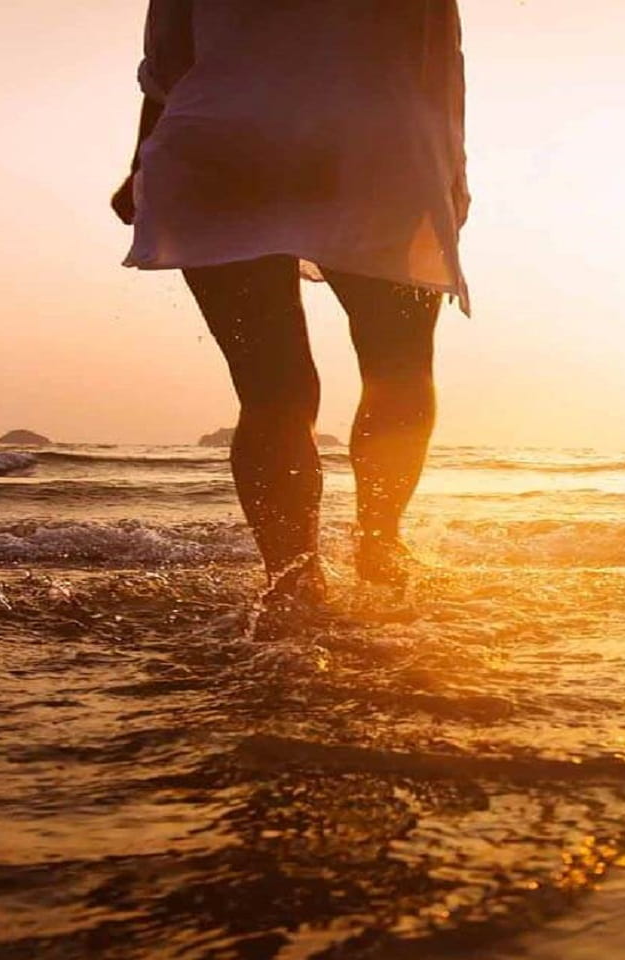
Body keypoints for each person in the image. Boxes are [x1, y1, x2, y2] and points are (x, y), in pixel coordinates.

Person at [113, 0, 470, 621]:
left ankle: (293, 578)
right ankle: (379, 543)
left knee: (271, 390)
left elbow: (167, 64)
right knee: (399, 369)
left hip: (224, 143)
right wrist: (452, 171)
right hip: (379, 147)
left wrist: (143, 162)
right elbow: (439, 58)